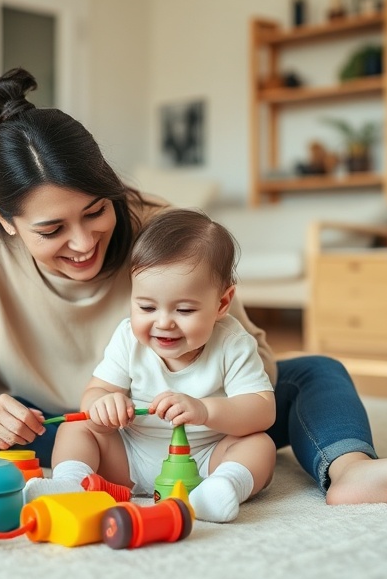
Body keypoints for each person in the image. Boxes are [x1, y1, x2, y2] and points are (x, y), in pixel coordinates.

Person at [0, 67, 387, 507]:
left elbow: (256, 362)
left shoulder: (164, 233)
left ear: (110, 186)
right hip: (59, 430)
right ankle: (65, 475)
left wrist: (191, 391)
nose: (84, 243)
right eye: (52, 229)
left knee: (314, 373)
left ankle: (348, 470)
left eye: (95, 212)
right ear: (7, 222)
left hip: (190, 424)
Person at [24, 209, 277, 523]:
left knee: (260, 445)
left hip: (205, 463)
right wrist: (104, 404)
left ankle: (222, 489)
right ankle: (72, 483)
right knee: (76, 426)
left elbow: (262, 411)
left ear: (222, 304)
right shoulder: (128, 337)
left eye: (184, 309)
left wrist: (205, 411)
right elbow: (96, 392)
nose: (163, 322)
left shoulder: (233, 343)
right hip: (128, 460)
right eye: (146, 306)